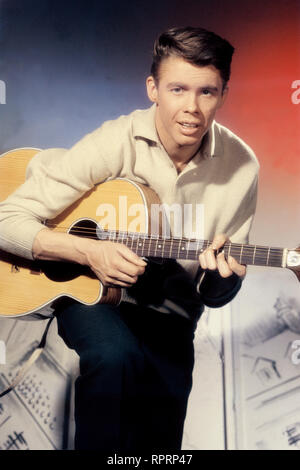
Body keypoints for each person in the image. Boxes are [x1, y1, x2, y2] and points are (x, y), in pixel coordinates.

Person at [0, 26, 259, 450]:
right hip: (93, 293)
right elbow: (6, 217)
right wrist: (87, 250)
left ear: (224, 93)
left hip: (171, 312)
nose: (191, 108)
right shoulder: (115, 140)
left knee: (160, 444)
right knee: (114, 355)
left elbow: (213, 294)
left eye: (207, 92)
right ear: (153, 88)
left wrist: (224, 279)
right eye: (178, 89)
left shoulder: (242, 167)